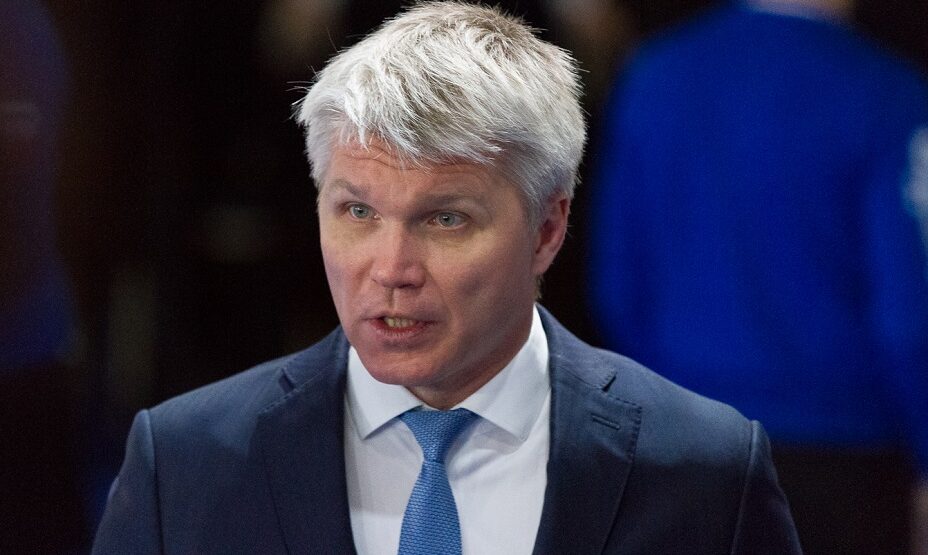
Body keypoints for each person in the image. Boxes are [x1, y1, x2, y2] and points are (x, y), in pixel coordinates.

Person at [92, 2, 800, 553]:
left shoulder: (707, 471)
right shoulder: (181, 465)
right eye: (358, 211)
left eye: (445, 220)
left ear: (547, 229)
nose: (391, 269)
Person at [586, 0, 928, 553]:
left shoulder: (655, 74)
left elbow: (619, 285)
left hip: (680, 445)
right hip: (845, 453)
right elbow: (909, 312)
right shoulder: (888, 92)